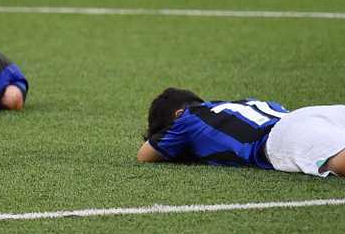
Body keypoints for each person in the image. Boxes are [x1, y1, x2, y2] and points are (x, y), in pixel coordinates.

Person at [137, 88, 345, 177]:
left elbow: (144, 156)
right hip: (313, 113)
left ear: (178, 114)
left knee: (337, 162)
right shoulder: (241, 103)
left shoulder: (186, 119)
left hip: (281, 137)